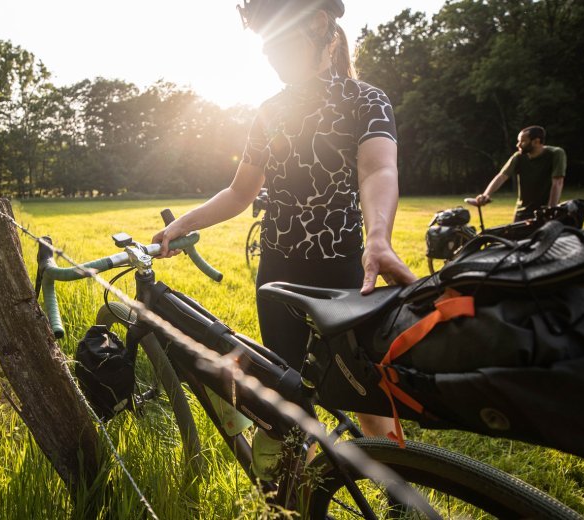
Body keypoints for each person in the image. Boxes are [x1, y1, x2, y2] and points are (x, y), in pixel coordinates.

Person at [152, 0, 414, 441]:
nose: (271, 57)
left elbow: (378, 169)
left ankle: (401, 498)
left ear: (319, 29)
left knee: (363, 392)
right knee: (286, 393)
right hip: (276, 274)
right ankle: (298, 499)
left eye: (281, 44)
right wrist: (184, 223)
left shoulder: (365, 99)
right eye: (267, 48)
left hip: (343, 274)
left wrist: (379, 239)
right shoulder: (270, 110)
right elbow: (240, 191)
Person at [475, 125, 567, 222]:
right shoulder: (518, 157)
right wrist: (486, 195)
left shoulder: (556, 153)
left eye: (522, 141)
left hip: (544, 209)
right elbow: (501, 176)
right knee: (513, 236)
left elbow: (557, 182)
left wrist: (551, 209)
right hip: (522, 209)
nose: (518, 145)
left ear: (536, 141)